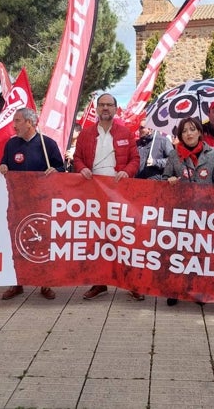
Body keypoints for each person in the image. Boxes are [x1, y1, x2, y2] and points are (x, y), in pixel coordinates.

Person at [73, 93, 141, 301]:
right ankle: (99, 283)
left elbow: (135, 159)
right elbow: (77, 158)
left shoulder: (126, 133)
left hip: (119, 192)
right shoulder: (85, 134)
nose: (105, 108)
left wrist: (127, 172)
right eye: (101, 105)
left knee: (123, 237)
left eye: (109, 105)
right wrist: (82, 168)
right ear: (96, 108)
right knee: (97, 237)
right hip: (93, 193)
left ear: (115, 108)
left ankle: (130, 282)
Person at [0, 108, 65, 300]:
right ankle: (17, 283)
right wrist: (3, 167)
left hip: (41, 203)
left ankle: (45, 283)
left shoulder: (47, 144)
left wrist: (55, 170)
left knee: (43, 242)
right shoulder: (11, 145)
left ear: (29, 122)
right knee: (16, 242)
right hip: (17, 202)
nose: (14, 125)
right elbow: (4, 165)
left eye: (17, 121)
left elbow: (61, 168)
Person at [163, 117, 214, 305]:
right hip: (180, 211)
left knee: (199, 252)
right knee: (178, 252)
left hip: (203, 212)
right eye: (184, 131)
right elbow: (165, 177)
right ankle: (175, 290)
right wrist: (169, 181)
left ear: (199, 132)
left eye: (192, 129)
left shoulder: (213, 154)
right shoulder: (174, 155)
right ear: (180, 135)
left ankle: (199, 290)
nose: (188, 134)